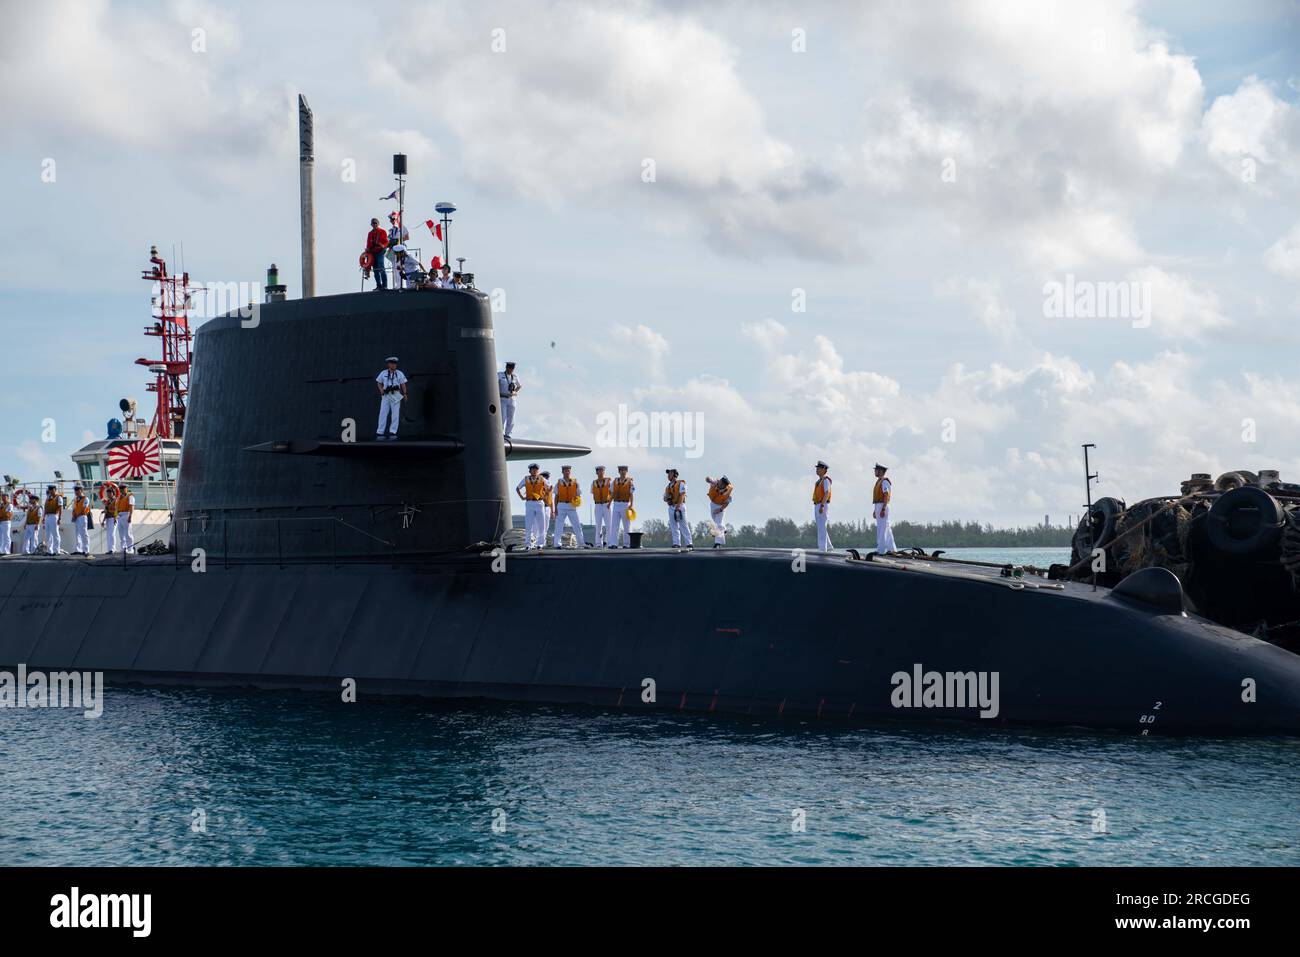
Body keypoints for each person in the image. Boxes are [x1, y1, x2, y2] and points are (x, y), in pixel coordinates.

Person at [515, 463, 548, 549]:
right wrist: (522, 497)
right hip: (529, 503)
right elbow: (517, 488)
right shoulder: (526, 479)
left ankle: (540, 543)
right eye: (533, 469)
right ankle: (528, 544)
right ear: (530, 471)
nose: (534, 471)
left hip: (539, 502)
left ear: (538, 471)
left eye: (536, 470)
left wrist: (545, 495)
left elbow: (549, 487)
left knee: (542, 524)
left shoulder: (542, 479)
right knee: (528, 524)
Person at [375, 356, 408, 440]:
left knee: (395, 414)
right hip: (386, 395)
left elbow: (403, 384)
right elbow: (379, 382)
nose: (394, 365)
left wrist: (404, 393)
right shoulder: (383, 373)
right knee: (383, 413)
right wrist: (381, 389)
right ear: (388, 364)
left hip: (396, 394)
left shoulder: (399, 373)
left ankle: (393, 431)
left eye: (395, 363)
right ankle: (380, 431)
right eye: (392, 363)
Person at [552, 465, 586, 547]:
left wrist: (577, 502)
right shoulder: (559, 483)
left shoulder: (575, 483)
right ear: (562, 472)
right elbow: (556, 496)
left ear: (570, 472)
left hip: (571, 506)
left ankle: (581, 543)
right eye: (565, 471)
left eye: (568, 471)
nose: (567, 472)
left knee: (577, 525)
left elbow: (578, 495)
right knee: (559, 526)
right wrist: (555, 509)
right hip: (561, 505)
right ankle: (557, 544)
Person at [664, 468, 693, 552]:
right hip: (672, 507)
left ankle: (689, 543)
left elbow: (682, 494)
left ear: (675, 475)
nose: (668, 475)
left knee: (683, 524)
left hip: (680, 506)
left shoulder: (681, 483)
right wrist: (667, 499)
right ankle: (676, 543)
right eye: (668, 474)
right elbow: (665, 497)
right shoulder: (668, 487)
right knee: (673, 526)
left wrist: (679, 505)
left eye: (670, 474)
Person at [873, 463, 897, 554]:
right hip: (879, 505)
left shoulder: (884, 482)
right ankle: (892, 549)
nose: (875, 471)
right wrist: (875, 510)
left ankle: (881, 550)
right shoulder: (879, 481)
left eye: (876, 470)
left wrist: (883, 508)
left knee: (881, 528)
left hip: (883, 505)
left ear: (881, 471)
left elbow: (886, 495)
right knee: (886, 528)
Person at [705, 475, 733, 548]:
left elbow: (727, 503)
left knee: (718, 524)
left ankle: (718, 543)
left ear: (724, 485)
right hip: (713, 504)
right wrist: (709, 480)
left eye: (722, 482)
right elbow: (708, 478)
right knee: (716, 521)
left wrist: (720, 509)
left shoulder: (728, 491)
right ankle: (724, 529)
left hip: (721, 506)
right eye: (720, 481)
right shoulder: (715, 482)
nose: (720, 482)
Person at [611, 465, 635, 547]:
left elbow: (631, 494)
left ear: (626, 471)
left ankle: (627, 544)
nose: (623, 472)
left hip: (625, 504)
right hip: (616, 504)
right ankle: (613, 543)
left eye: (624, 470)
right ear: (619, 471)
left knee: (626, 525)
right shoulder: (614, 481)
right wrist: (609, 503)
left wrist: (631, 504)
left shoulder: (630, 482)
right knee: (614, 525)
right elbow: (612, 493)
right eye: (621, 470)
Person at [590, 466, 613, 547]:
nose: (601, 472)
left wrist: (609, 503)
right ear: (596, 472)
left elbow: (612, 493)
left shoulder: (608, 482)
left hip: (606, 504)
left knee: (608, 525)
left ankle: (610, 542)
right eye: (599, 471)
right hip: (598, 505)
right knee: (598, 525)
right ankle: (599, 543)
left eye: (602, 471)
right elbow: (593, 493)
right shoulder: (593, 483)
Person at [813, 460, 833, 552]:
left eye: (819, 468)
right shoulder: (819, 481)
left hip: (822, 504)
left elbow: (827, 492)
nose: (817, 470)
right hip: (818, 504)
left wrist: (822, 505)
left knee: (822, 527)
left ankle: (822, 549)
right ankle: (829, 547)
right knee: (821, 527)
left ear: (824, 469)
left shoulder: (826, 480)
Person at [498, 362, 520, 438]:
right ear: (506, 368)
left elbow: (519, 386)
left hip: (511, 398)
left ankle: (508, 434)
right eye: (509, 368)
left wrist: (514, 392)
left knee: (511, 417)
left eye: (512, 369)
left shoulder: (514, 376)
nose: (510, 370)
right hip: (502, 398)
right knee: (502, 416)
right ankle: (500, 433)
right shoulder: (500, 375)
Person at [366, 217, 389, 290]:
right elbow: (368, 244)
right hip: (373, 252)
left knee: (381, 268)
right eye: (373, 223)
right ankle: (378, 285)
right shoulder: (370, 233)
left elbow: (386, 242)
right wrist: (367, 252)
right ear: (371, 224)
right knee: (375, 270)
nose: (374, 224)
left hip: (380, 251)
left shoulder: (382, 231)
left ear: (378, 224)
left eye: (375, 223)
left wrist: (382, 246)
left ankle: (384, 285)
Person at [71, 484, 92, 555]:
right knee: (77, 534)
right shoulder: (75, 500)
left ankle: (86, 550)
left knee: (84, 533)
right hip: (77, 517)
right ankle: (78, 549)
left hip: (82, 517)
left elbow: (84, 509)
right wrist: (73, 516)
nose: (76, 492)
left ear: (81, 490)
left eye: (78, 490)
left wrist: (76, 515)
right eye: (75, 490)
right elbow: (74, 509)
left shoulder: (85, 499)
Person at [42, 484, 63, 554]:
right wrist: (43, 517)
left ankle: (56, 550)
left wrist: (59, 518)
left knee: (55, 534)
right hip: (47, 517)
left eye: (51, 489)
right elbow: (45, 508)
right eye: (49, 489)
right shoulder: (48, 498)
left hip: (54, 516)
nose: (50, 491)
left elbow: (60, 508)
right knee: (48, 535)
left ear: (54, 490)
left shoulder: (58, 497)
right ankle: (49, 550)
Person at [117, 485, 136, 553]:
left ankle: (130, 549)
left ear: (126, 489)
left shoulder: (130, 496)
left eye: (123, 488)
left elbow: (131, 507)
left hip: (126, 514)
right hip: (120, 515)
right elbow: (117, 507)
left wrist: (130, 516)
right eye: (120, 488)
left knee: (128, 533)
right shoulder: (119, 497)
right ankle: (123, 548)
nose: (122, 490)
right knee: (121, 534)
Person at [101, 485, 119, 554]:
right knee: (108, 534)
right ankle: (109, 549)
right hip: (108, 518)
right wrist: (103, 521)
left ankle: (113, 549)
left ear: (113, 493)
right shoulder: (108, 501)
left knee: (112, 534)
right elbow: (106, 511)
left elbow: (116, 510)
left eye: (109, 493)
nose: (108, 494)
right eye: (107, 493)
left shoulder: (116, 500)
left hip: (113, 518)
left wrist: (115, 518)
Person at [540, 471, 555, 546]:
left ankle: (543, 543)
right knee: (539, 527)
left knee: (546, 526)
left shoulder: (550, 487)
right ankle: (537, 543)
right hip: (541, 507)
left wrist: (552, 511)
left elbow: (551, 500)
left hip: (547, 508)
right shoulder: (540, 487)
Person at [0, 490, 13, 555]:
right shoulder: (1, 505)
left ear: (7, 497)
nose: (3, 498)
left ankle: (7, 551)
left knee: (6, 536)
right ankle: (1, 550)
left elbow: (7, 513)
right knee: (1, 536)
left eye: (4, 496)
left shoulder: (9, 505)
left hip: (6, 521)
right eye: (2, 496)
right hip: (1, 522)